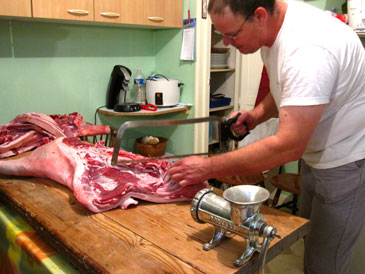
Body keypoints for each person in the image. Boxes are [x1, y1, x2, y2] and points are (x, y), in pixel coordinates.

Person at [168, 0, 365, 273]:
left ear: (259, 16)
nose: (226, 43)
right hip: (316, 156)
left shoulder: (309, 48)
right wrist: (258, 114)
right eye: (221, 34)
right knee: (312, 242)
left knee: (325, 264)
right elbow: (287, 86)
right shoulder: (276, 29)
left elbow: (288, 147)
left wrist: (208, 166)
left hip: (344, 161)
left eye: (232, 35)